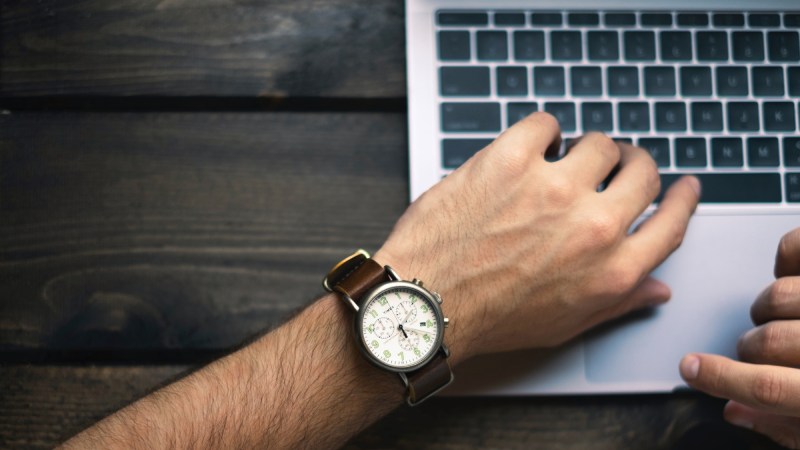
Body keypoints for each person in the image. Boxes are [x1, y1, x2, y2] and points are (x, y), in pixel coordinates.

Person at [55, 113, 784, 449]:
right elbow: (400, 322)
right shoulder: (388, 320)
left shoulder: (397, 321)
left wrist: (444, 301)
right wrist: (451, 294)